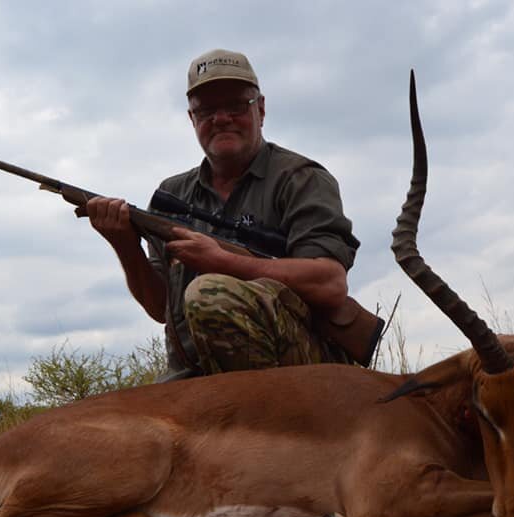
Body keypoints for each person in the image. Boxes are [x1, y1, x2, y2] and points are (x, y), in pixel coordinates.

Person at [85, 49, 360, 379]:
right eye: (207, 111)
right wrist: (124, 245)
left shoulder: (301, 179)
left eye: (235, 106)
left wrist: (222, 261)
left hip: (294, 371)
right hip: (191, 375)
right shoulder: (171, 194)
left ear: (260, 108)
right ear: (192, 119)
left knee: (209, 294)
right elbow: (161, 309)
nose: (221, 119)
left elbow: (329, 283)